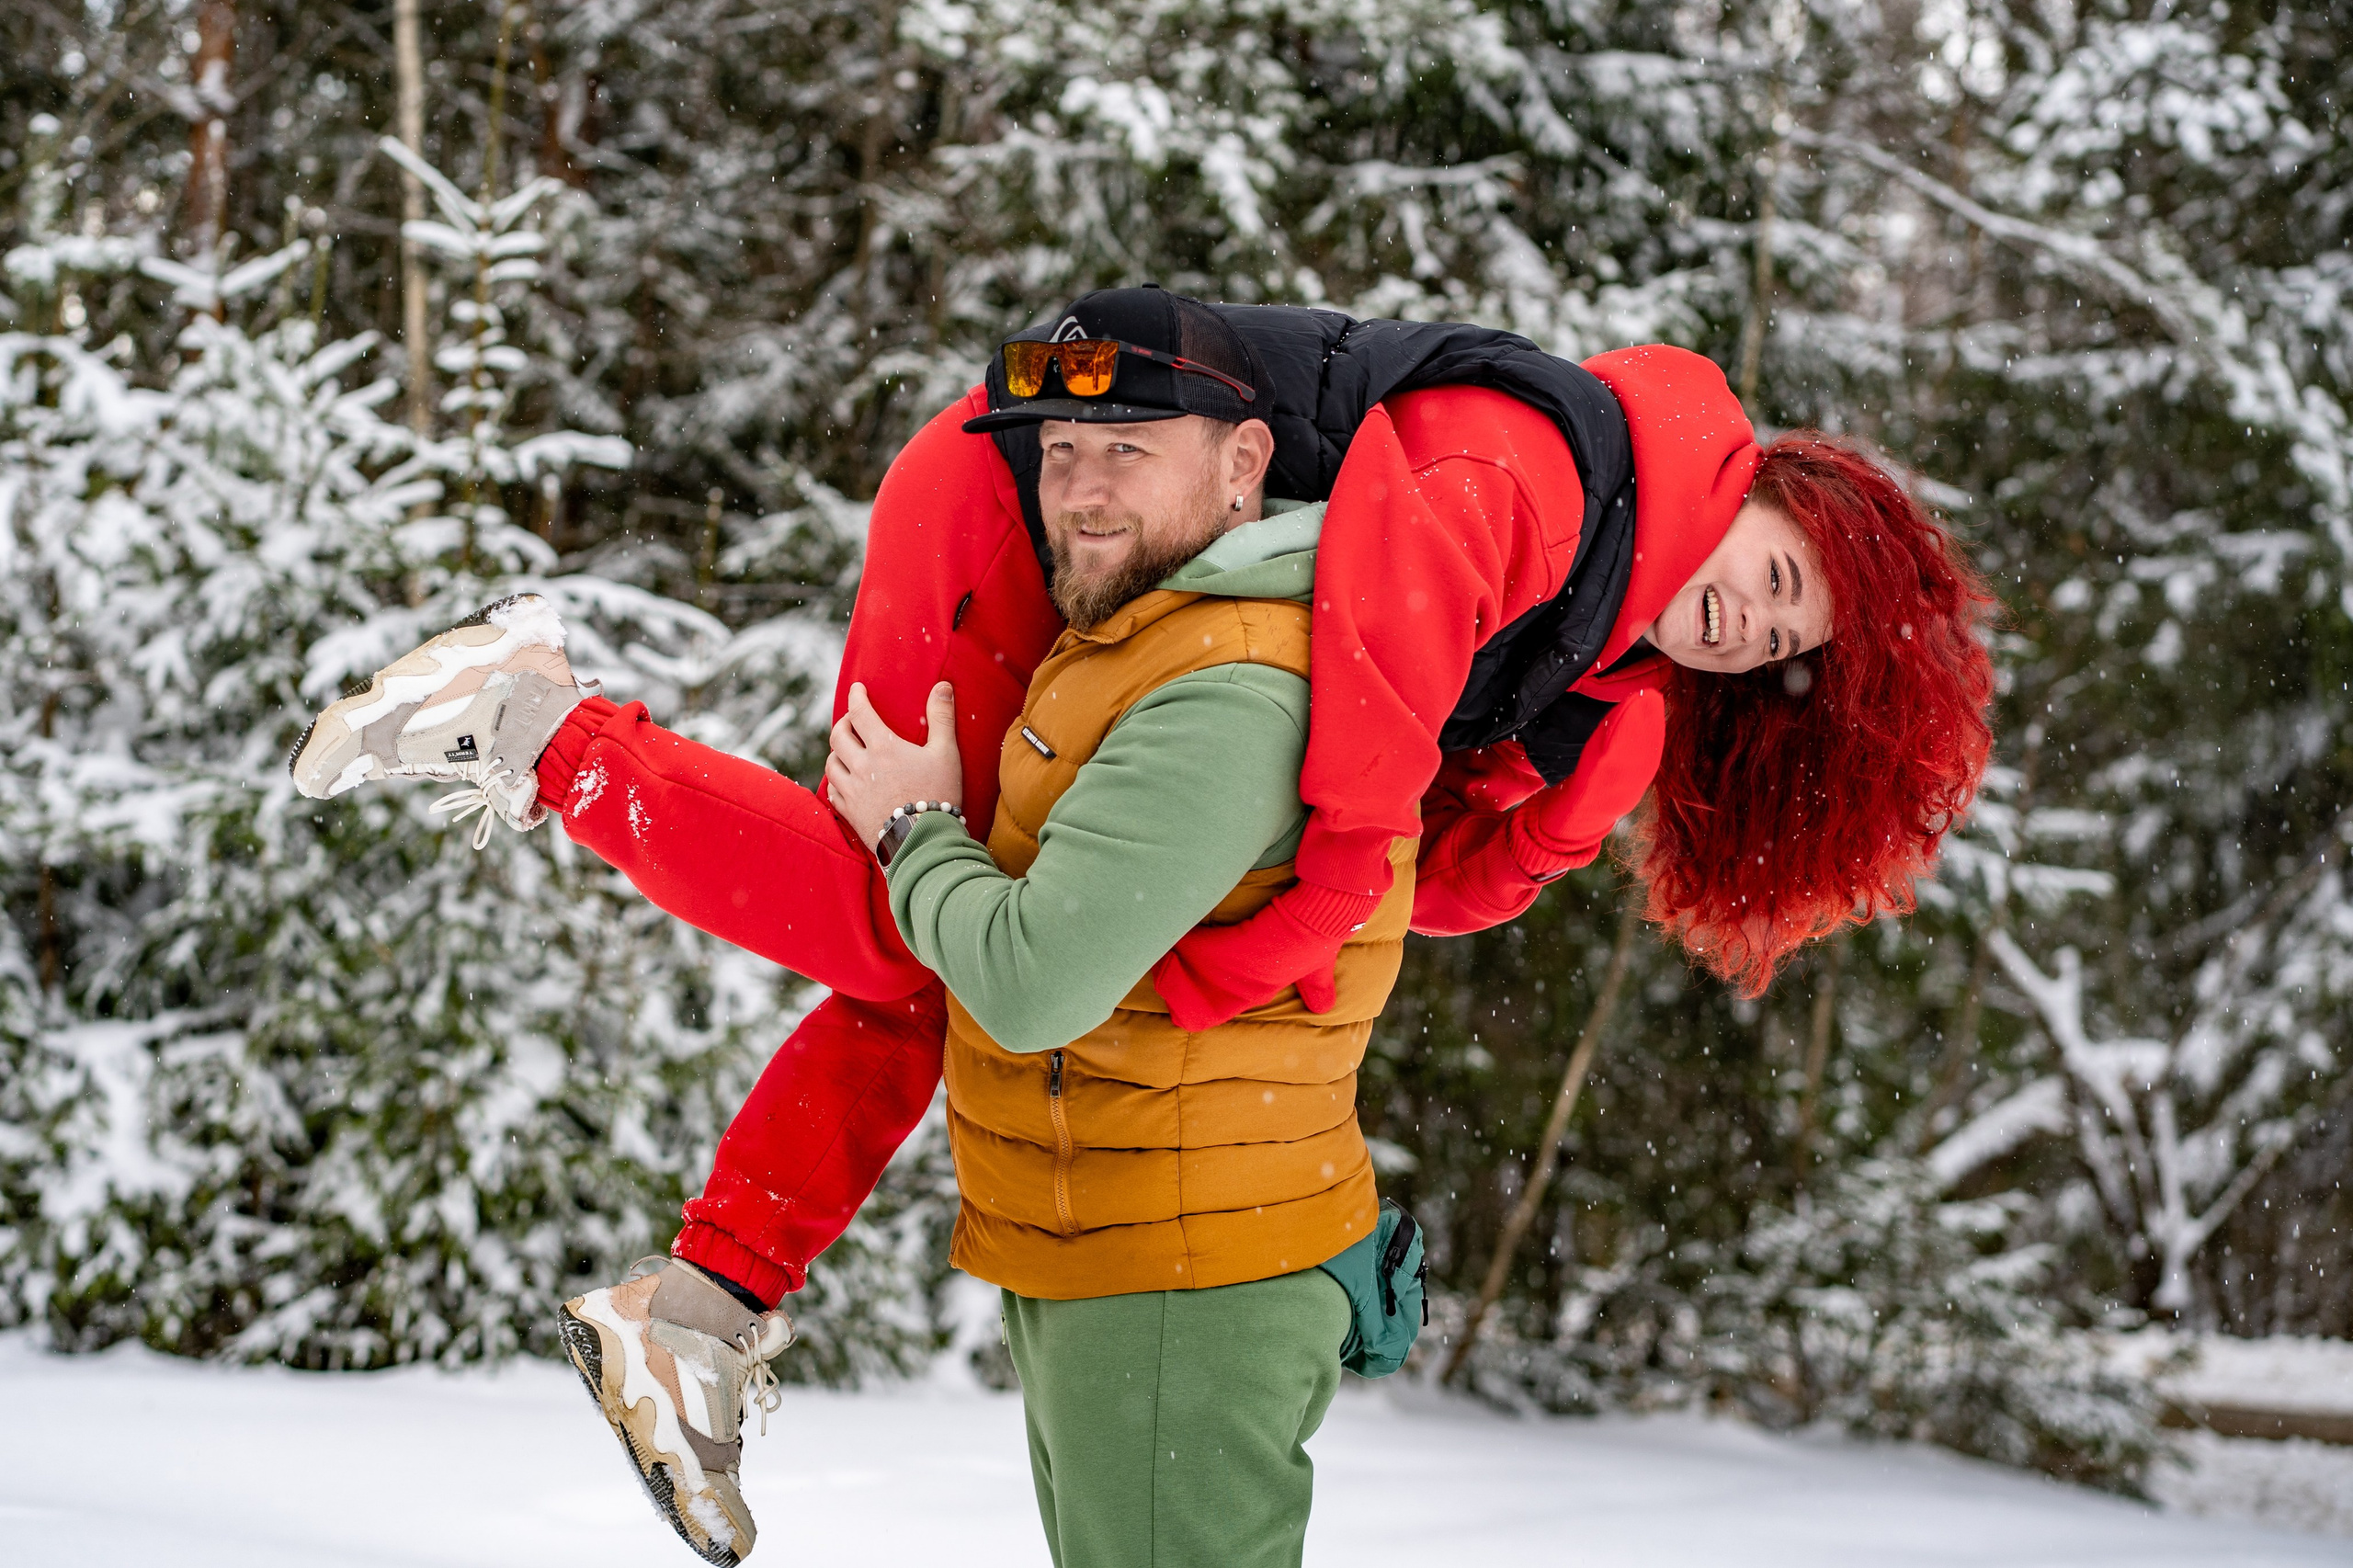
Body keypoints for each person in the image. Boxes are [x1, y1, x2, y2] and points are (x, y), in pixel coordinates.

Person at [290, 290, 1995, 1563]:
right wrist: (1281, 928)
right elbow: (1372, 731)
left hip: (1114, 562)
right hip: (1035, 508)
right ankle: (539, 731)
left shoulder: (1602, 639)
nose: (1748, 625)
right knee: (914, 927)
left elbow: (1429, 871)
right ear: (1764, 485)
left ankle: (705, 1307)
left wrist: (1555, 803)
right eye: (1780, 575)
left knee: (946, 946)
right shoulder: (1545, 480)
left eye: (1784, 648)